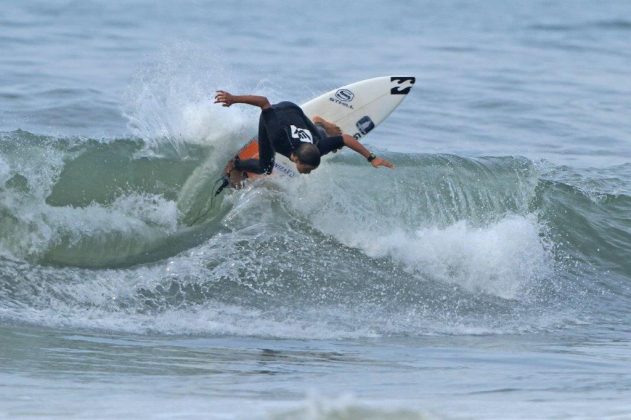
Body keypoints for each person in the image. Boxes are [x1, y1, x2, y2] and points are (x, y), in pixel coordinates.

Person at [214, 91, 394, 177]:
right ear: (294, 157)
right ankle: (236, 164)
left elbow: (345, 139)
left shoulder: (317, 148)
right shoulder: (277, 136)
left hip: (295, 111)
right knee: (265, 167)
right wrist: (233, 99)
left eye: (309, 170)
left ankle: (319, 122)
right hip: (277, 114)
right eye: (306, 169)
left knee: (321, 139)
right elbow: (264, 102)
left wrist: (371, 158)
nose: (306, 174)